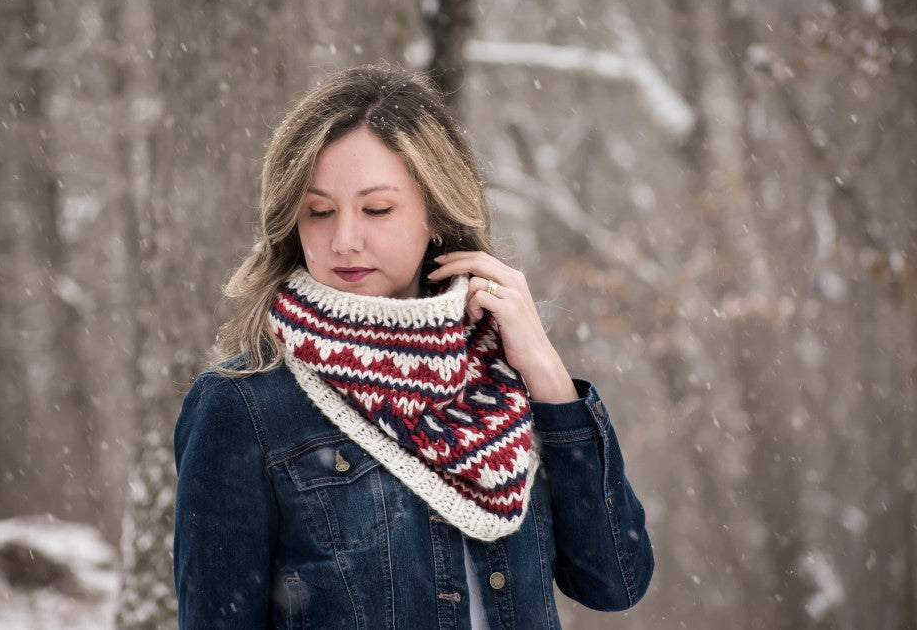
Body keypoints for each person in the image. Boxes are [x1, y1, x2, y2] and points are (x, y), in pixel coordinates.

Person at [173, 65, 654, 629]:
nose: (344, 239)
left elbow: (615, 581)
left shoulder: (508, 381)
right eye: (319, 211)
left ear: (436, 210)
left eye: (377, 209)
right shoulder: (244, 406)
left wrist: (547, 373)